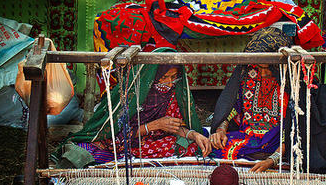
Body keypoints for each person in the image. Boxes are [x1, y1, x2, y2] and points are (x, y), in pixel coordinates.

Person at [52, 48, 211, 167]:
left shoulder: (171, 95)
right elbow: (114, 132)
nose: (170, 84)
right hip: (117, 143)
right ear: (153, 76)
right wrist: (153, 126)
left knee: (190, 146)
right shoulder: (131, 93)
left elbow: (172, 126)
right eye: (164, 78)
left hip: (148, 143)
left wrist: (194, 135)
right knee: (85, 153)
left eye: (174, 78)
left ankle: (126, 162)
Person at [210, 27, 293, 172]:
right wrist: (221, 128)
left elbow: (292, 129)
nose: (262, 72)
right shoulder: (249, 73)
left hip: (278, 142)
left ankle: (263, 155)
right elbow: (235, 106)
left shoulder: (287, 84)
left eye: (268, 68)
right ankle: (256, 154)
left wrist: (272, 160)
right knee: (212, 146)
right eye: (259, 67)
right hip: (249, 138)